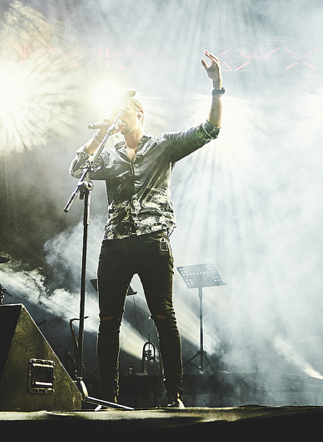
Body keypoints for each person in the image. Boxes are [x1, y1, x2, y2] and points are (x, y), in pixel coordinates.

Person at [70, 51, 223, 408]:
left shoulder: (163, 146)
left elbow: (210, 130)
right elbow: (78, 166)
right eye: (115, 117)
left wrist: (216, 86)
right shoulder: (108, 156)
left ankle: (175, 397)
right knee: (108, 322)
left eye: (123, 115)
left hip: (153, 241)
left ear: (139, 114)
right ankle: (107, 399)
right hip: (116, 244)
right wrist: (102, 133)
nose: (119, 121)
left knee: (163, 317)